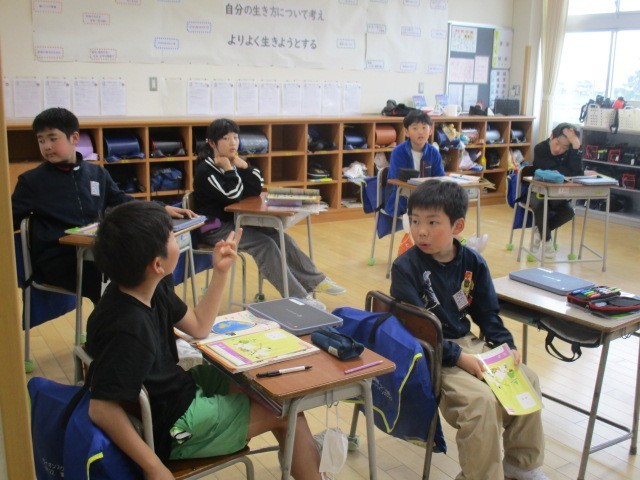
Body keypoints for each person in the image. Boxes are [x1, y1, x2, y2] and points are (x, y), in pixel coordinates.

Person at [86, 201, 321, 480]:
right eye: (171, 236)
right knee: (286, 412)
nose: (178, 237)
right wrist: (154, 467)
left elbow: (199, 326)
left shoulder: (148, 287)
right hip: (174, 425)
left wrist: (220, 272)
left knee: (256, 381)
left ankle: (298, 459)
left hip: (177, 392)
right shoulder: (129, 327)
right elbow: (102, 408)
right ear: (157, 264)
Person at [390, 180, 547, 480]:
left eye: (432, 222)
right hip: (431, 352)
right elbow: (418, 329)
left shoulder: (472, 262)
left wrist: (506, 345)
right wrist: (460, 358)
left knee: (527, 380)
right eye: (415, 221)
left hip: (468, 343)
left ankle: (521, 464)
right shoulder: (405, 268)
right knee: (481, 402)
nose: (421, 231)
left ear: (457, 226)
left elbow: (488, 314)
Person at [11, 107, 194, 304]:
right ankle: (116, 322)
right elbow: (9, 219)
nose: (47, 146)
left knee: (153, 265)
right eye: (41, 140)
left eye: (53, 138)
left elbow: (121, 201)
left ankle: (159, 319)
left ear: (74, 138)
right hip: (60, 260)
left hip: (97, 251)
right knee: (116, 279)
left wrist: (160, 207)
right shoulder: (32, 182)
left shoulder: (96, 173)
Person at [192, 118, 345, 311]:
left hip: (235, 222)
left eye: (236, 137)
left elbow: (256, 188)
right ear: (212, 143)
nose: (233, 143)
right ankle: (298, 297)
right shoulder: (206, 170)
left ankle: (316, 280)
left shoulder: (232, 162)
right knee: (265, 245)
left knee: (280, 237)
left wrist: (245, 167)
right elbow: (233, 194)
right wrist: (231, 170)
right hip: (214, 228)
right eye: (225, 138)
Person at [532, 122, 583, 259]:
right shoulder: (540, 148)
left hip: (556, 196)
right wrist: (564, 172)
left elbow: (576, 173)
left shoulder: (569, 153)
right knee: (541, 205)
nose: (559, 149)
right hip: (535, 194)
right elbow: (552, 171)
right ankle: (547, 242)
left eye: (565, 147)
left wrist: (576, 146)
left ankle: (539, 232)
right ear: (552, 136)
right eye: (557, 143)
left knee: (569, 212)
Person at [385, 109, 445, 216]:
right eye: (415, 128)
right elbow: (396, 180)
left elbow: (440, 178)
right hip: (402, 200)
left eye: (424, 127)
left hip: (428, 198)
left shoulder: (434, 153)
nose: (420, 132)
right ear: (406, 132)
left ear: (431, 130)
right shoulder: (398, 152)